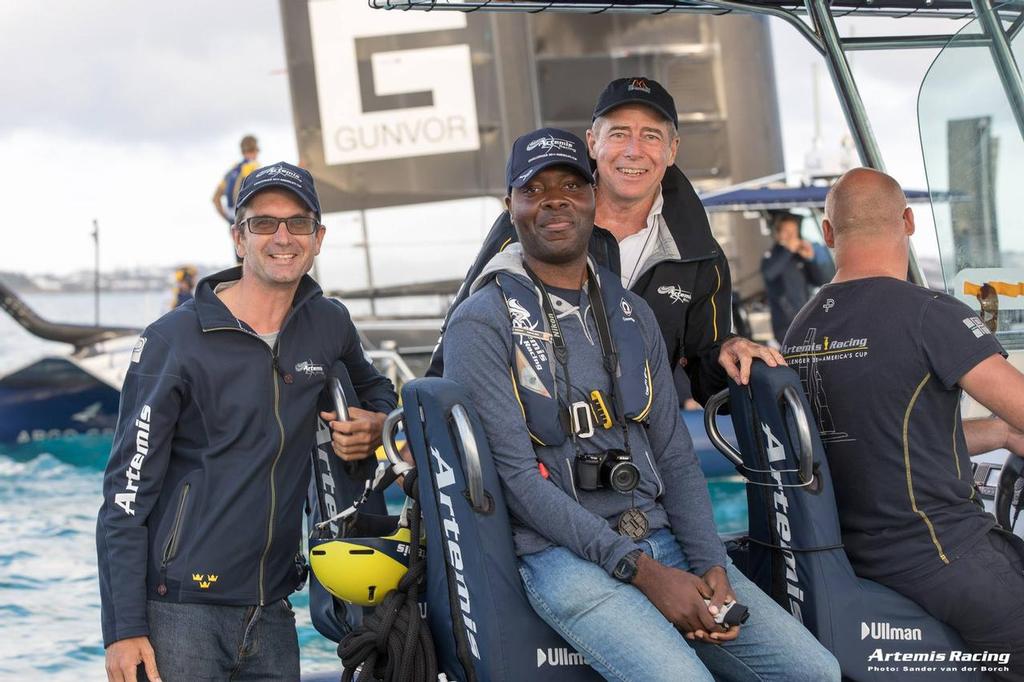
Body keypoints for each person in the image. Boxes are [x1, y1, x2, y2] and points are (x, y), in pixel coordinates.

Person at [443, 127, 840, 682]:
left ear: (592, 199)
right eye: (534, 189)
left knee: (813, 673)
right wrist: (646, 574)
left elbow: (675, 456)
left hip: (661, 540)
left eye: (569, 186)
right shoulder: (481, 323)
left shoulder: (631, 312)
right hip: (561, 556)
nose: (554, 200)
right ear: (510, 206)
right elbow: (516, 480)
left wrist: (710, 565)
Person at [97, 162, 397, 682]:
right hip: (179, 614)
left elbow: (378, 392)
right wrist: (123, 629)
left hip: (275, 611)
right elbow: (125, 495)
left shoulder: (329, 323)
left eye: (298, 223)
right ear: (239, 238)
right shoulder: (174, 341)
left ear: (318, 238)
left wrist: (375, 427)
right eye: (263, 223)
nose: (282, 237)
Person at [783, 167, 1024, 680]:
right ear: (909, 221)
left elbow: (883, 436)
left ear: (828, 233)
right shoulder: (928, 314)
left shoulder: (802, 329)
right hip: (943, 556)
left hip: (861, 556)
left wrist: (1001, 434)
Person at [429, 76, 783, 401]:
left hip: (641, 449)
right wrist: (428, 426)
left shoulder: (702, 257)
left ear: (672, 150)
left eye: (651, 135)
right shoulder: (533, 219)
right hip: (528, 440)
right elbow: (462, 328)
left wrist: (732, 352)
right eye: (618, 134)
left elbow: (705, 376)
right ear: (593, 143)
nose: (633, 150)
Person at [759, 212, 832, 344]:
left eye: (794, 231)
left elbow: (821, 281)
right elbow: (769, 273)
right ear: (778, 234)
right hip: (784, 323)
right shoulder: (771, 256)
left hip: (805, 318)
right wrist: (788, 250)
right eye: (787, 231)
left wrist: (810, 260)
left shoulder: (798, 257)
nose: (792, 236)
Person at [213, 135, 260, 262]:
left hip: (234, 220)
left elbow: (215, 198)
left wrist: (229, 219)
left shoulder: (232, 171)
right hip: (250, 220)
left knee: (240, 260)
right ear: (256, 149)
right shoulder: (253, 167)